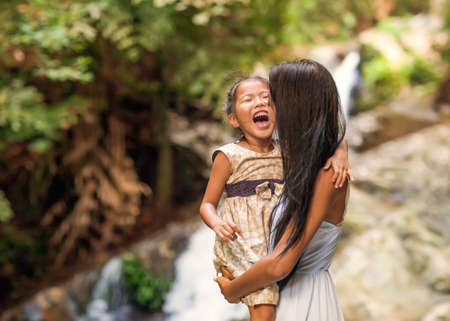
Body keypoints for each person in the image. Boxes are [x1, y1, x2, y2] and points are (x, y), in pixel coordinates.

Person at [201, 74, 351, 321]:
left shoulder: (289, 153)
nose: (260, 103)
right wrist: (217, 224)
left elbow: (330, 135)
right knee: (263, 308)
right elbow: (207, 202)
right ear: (233, 118)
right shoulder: (229, 155)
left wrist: (341, 150)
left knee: (266, 306)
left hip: (280, 264)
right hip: (243, 237)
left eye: (268, 99)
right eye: (248, 100)